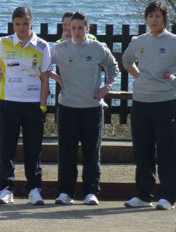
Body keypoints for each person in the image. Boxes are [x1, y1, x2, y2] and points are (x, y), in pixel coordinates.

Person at [122, 1, 176, 210]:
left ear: (165, 19)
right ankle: (143, 195)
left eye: (158, 16)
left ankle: (168, 196)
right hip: (141, 102)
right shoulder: (138, 41)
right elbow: (126, 60)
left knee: (167, 152)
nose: (153, 20)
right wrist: (139, 77)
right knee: (142, 151)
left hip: (166, 102)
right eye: (150, 16)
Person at [0, 6, 52, 205]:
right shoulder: (4, 42)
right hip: (9, 101)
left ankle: (34, 189)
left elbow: (45, 78)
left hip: (33, 103)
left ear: (31, 22)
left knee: (33, 149)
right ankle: (6, 189)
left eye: (25, 24)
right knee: (6, 148)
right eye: (17, 24)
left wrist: (43, 105)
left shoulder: (42, 46)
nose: (22, 28)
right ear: (13, 24)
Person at [50, 11, 119, 205]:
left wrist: (107, 87)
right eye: (73, 28)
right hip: (67, 107)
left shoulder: (98, 48)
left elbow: (113, 67)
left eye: (81, 28)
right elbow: (42, 65)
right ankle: (65, 192)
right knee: (66, 152)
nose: (77, 32)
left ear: (87, 29)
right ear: (68, 29)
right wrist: (55, 78)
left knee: (91, 152)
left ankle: (91, 192)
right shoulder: (59, 49)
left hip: (92, 108)